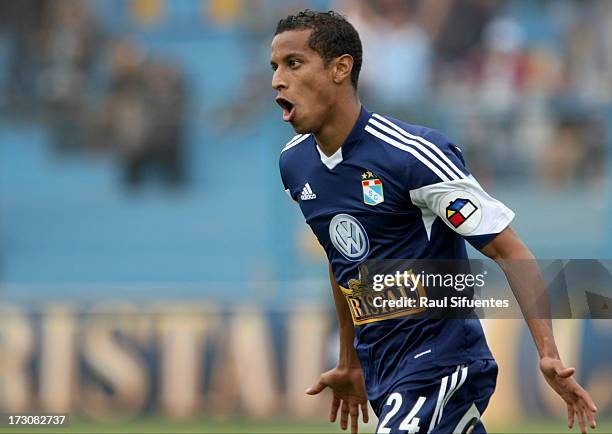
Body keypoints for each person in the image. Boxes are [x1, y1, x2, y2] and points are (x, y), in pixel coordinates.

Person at [271, 10, 597, 434]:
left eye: (293, 64)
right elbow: (344, 261)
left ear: (340, 67)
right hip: (385, 369)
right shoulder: (295, 165)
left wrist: (548, 353)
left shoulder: (412, 155)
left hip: (442, 361)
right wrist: (350, 362)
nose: (278, 79)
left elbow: (509, 249)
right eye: (275, 67)